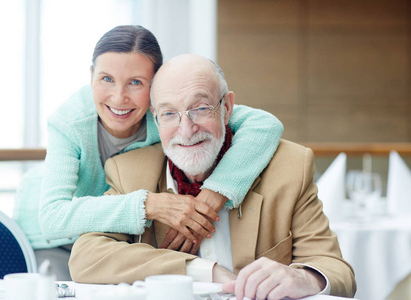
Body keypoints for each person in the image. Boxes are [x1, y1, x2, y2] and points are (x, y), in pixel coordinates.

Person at [69, 54, 356, 299]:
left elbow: (337, 270)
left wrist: (304, 278)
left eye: (200, 108)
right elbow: (87, 257)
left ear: (227, 108)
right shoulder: (130, 171)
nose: (186, 129)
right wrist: (202, 271)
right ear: (156, 119)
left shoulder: (289, 166)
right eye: (170, 114)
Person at [13, 25, 284, 279]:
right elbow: (52, 218)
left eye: (136, 82)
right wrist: (150, 205)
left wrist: (212, 196)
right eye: (106, 79)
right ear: (91, 76)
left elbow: (265, 124)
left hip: (115, 239)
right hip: (54, 242)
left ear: (156, 86)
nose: (119, 98)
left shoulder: (166, 114)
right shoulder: (69, 123)